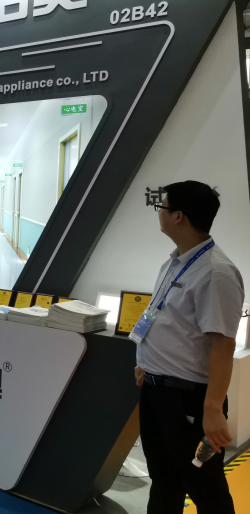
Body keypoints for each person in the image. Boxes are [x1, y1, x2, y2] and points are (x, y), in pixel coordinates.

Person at [134, 181, 243, 513]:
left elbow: (223, 345)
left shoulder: (217, 272)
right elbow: (165, 320)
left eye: (162, 207)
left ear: (178, 216)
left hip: (188, 401)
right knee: (164, 480)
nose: (159, 213)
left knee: (204, 487)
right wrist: (148, 363)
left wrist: (213, 410)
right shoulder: (174, 263)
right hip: (158, 392)